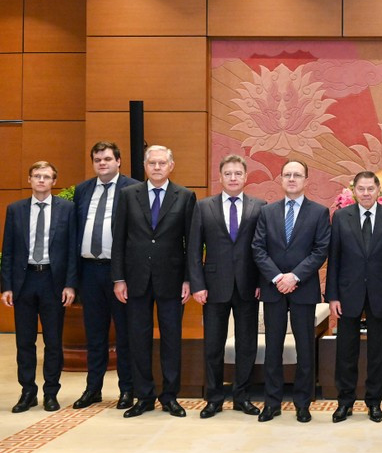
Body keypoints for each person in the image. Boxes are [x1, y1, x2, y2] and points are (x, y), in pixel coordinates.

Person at [111, 145, 196, 418]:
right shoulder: (127, 195)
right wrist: (119, 278)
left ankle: (170, 396)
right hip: (135, 279)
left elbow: (191, 244)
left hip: (172, 280)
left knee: (171, 339)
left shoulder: (185, 196)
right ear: (145, 166)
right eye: (152, 163)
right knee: (138, 338)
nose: (157, 167)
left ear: (171, 166)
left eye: (162, 163)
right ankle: (144, 396)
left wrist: (188, 279)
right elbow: (119, 240)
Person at [252, 160, 330, 423]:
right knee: (272, 348)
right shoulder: (267, 211)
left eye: (297, 175)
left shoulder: (319, 212)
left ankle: (302, 403)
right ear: (281, 179)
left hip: (303, 288)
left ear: (306, 179)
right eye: (287, 175)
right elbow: (258, 249)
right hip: (273, 289)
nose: (292, 179)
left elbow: (320, 250)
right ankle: (271, 403)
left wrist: (294, 276)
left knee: (304, 349)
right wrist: (277, 278)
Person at [188, 155, 265, 419]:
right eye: (228, 173)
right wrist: (197, 284)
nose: (233, 178)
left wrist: (260, 283)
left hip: (248, 287)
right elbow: (194, 250)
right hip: (213, 287)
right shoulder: (204, 207)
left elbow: (263, 250)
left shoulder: (259, 207)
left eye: (238, 173)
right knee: (213, 345)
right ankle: (214, 398)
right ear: (220, 177)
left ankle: (242, 397)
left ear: (246, 177)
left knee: (246, 345)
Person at [326, 171, 382, 423]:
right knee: (345, 351)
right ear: (354, 191)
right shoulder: (340, 217)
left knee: (377, 351)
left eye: (370, 188)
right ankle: (345, 401)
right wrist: (333, 296)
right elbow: (334, 259)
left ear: (378, 189)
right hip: (348, 293)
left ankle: (374, 402)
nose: (366, 193)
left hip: (381, 294)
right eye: (361, 189)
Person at [1, 161, 77, 412]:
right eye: (37, 176)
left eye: (46, 176)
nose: (41, 180)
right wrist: (6, 286)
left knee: (53, 341)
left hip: (53, 282)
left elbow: (72, 251)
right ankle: (27, 392)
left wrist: (70, 284)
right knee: (25, 341)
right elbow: (9, 250)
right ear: (30, 179)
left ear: (54, 181)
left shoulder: (67, 209)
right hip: (24, 281)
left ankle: (51, 392)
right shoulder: (16, 210)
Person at [72, 141, 139, 410]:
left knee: (124, 335)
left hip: (120, 273)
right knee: (95, 335)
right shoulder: (83, 190)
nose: (102, 163)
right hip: (89, 271)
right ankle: (93, 389)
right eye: (98, 159)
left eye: (108, 159)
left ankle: (127, 389)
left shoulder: (134, 189)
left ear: (118, 161)